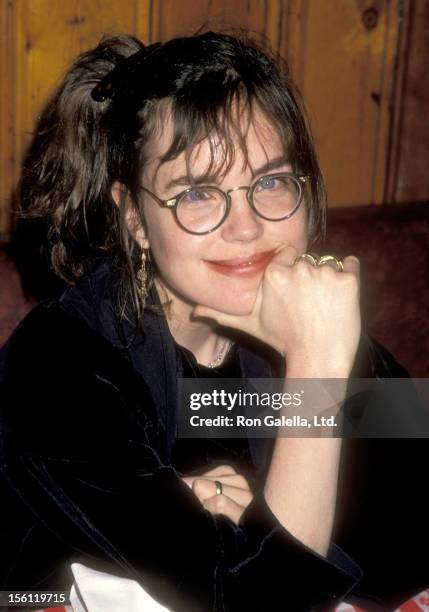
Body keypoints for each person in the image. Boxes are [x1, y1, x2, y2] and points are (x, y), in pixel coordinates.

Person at [0, 31, 428, 612]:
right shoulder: (61, 368)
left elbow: (409, 513)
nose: (247, 226)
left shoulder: (304, 325)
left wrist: (259, 521)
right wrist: (317, 373)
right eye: (199, 193)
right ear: (134, 218)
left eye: (271, 182)